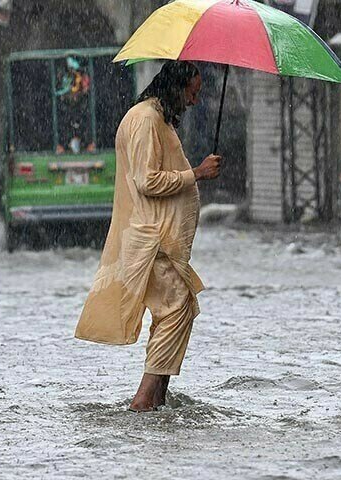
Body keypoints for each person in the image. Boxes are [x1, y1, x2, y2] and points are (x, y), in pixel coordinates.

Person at [74, 61, 221, 412]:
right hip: (152, 238)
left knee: (174, 310)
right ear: (177, 85)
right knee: (178, 308)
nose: (194, 101)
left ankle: (157, 401)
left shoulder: (158, 119)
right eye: (192, 93)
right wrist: (196, 174)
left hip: (162, 238)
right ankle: (144, 401)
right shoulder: (144, 120)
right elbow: (147, 180)